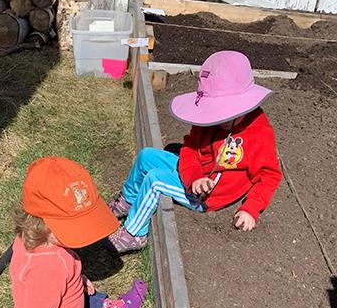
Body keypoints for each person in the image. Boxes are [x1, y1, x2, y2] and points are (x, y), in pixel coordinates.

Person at [106, 50, 282, 253]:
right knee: (146, 156)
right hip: (197, 177)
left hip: (209, 196)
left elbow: (269, 176)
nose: (218, 117)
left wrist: (250, 209)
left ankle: (134, 234)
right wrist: (195, 177)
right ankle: (128, 200)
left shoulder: (259, 134)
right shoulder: (208, 119)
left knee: (155, 180)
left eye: (224, 112)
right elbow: (189, 148)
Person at [7, 156, 153, 308]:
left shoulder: (39, 242)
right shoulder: (47, 268)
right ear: (41, 221)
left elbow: (53, 284)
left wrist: (78, 279)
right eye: (74, 224)